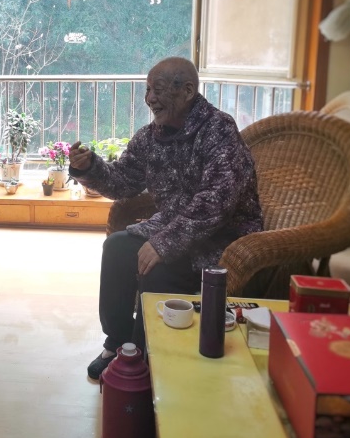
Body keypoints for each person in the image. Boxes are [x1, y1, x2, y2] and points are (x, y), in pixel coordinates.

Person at [68, 57, 262, 380]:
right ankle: (118, 342)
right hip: (172, 229)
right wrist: (88, 168)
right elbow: (122, 181)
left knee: (156, 271)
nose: (149, 99)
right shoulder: (151, 137)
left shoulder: (219, 130)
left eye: (157, 90)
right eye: (147, 90)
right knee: (117, 249)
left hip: (223, 240)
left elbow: (217, 201)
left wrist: (164, 243)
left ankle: (143, 362)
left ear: (187, 91)